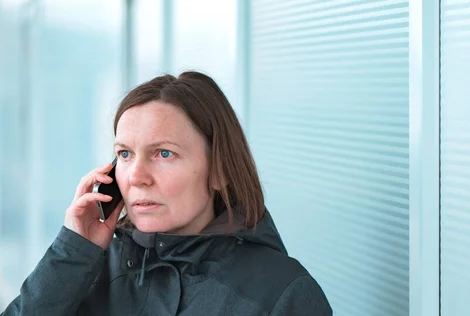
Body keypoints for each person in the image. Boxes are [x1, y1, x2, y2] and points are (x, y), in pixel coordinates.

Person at [2, 71, 332, 315]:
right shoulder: (89, 270)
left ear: (219, 170)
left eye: (163, 153)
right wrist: (73, 250)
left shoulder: (282, 293)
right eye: (125, 154)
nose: (137, 177)